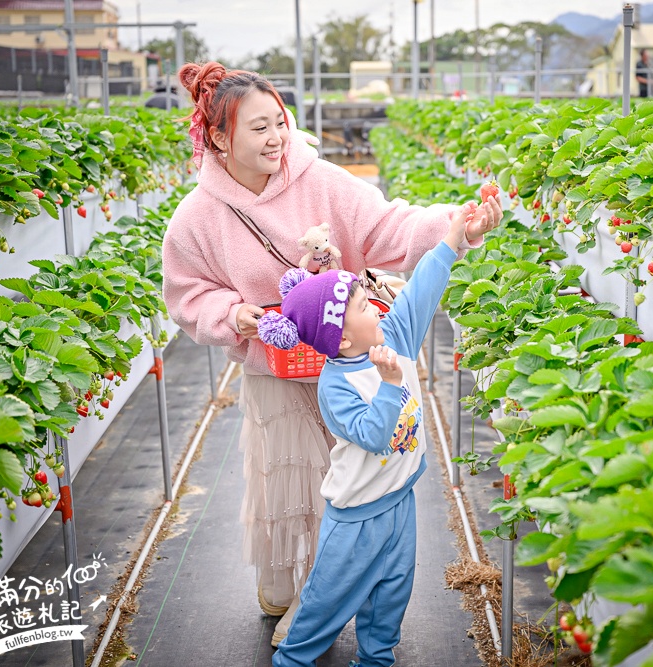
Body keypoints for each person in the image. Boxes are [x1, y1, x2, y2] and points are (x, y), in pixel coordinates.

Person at [160, 61, 502, 648]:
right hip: (276, 365)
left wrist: (457, 224)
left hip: (346, 364)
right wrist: (235, 315)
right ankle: (284, 583)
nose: (275, 139)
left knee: (341, 481)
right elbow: (188, 293)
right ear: (220, 138)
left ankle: (314, 604)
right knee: (286, 481)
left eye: (280, 124)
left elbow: (388, 226)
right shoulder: (197, 217)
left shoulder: (320, 181)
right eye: (259, 128)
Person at [260, 202, 488, 667]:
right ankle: (294, 659)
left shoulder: (394, 338)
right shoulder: (336, 385)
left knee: (392, 592)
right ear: (341, 339)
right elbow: (373, 435)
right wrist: (388, 387)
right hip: (356, 516)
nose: (376, 305)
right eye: (364, 305)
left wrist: (453, 237)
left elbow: (420, 293)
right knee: (325, 602)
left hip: (399, 496)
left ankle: (376, 658)